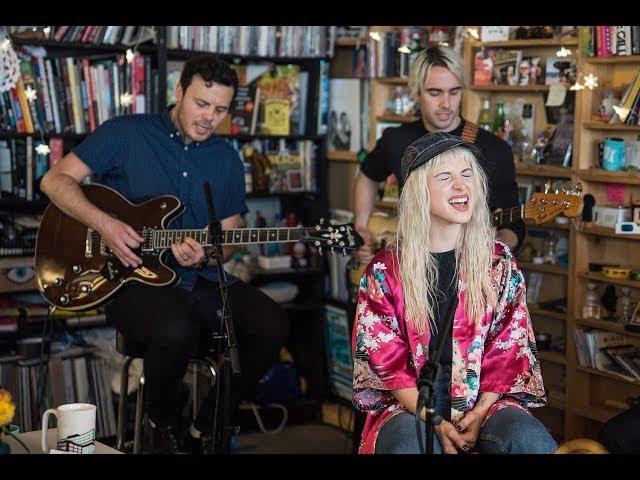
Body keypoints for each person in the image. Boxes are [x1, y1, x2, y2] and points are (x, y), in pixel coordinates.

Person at [40, 54, 289, 454]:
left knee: (272, 323)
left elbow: (227, 240)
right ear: (178, 92)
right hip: (131, 278)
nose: (210, 117)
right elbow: (54, 180)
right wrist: (105, 224)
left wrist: (208, 256)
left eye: (221, 109)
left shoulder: (225, 158)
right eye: (201, 104)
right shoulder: (125, 134)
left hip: (201, 280)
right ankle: (162, 423)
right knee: (177, 329)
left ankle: (207, 427)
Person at [351, 131, 556, 454]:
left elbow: (509, 349)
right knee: (405, 444)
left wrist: (480, 411)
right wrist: (433, 420)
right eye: (445, 177)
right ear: (419, 191)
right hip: (410, 406)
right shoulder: (384, 271)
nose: (461, 186)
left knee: (529, 439)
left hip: (484, 401)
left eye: (467, 175)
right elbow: (386, 363)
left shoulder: (498, 263)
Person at [353, 45, 524, 265]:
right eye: (435, 93)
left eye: (454, 92)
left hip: (467, 272)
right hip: (407, 266)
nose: (446, 104)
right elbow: (367, 175)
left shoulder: (494, 148)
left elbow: (514, 227)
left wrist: (495, 244)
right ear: (415, 92)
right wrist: (361, 226)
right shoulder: (396, 139)